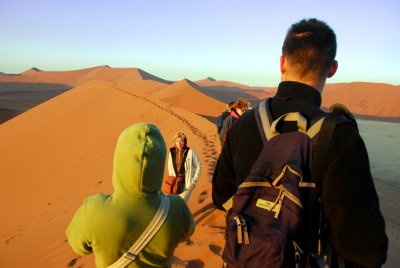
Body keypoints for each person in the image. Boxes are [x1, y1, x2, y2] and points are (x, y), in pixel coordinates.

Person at [212, 18, 388, 267]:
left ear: (282, 62)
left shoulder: (244, 123)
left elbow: (221, 196)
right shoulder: (339, 136)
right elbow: (365, 248)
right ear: (332, 69)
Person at [66, 123, 195, 267]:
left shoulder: (92, 211)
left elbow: (78, 245)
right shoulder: (177, 208)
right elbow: (187, 232)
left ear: (119, 161)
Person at [167, 131, 202, 202]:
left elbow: (199, 165)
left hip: (187, 182)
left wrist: (194, 180)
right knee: (175, 203)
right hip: (176, 183)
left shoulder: (190, 152)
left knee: (182, 202)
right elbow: (170, 167)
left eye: (182, 141)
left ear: (185, 141)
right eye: (177, 141)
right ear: (175, 142)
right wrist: (172, 180)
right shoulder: (172, 153)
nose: (179, 143)